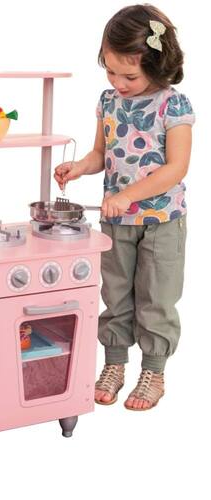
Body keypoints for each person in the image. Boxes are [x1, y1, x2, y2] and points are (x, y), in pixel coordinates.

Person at [54, 4, 195, 411]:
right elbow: (101, 153)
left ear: (158, 64)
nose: (119, 83)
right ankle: (114, 364)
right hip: (116, 220)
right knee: (114, 294)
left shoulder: (173, 105)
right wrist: (80, 167)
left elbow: (176, 167)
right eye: (111, 72)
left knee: (155, 297)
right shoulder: (109, 102)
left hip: (162, 220)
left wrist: (128, 195)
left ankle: (153, 371)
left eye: (129, 76)